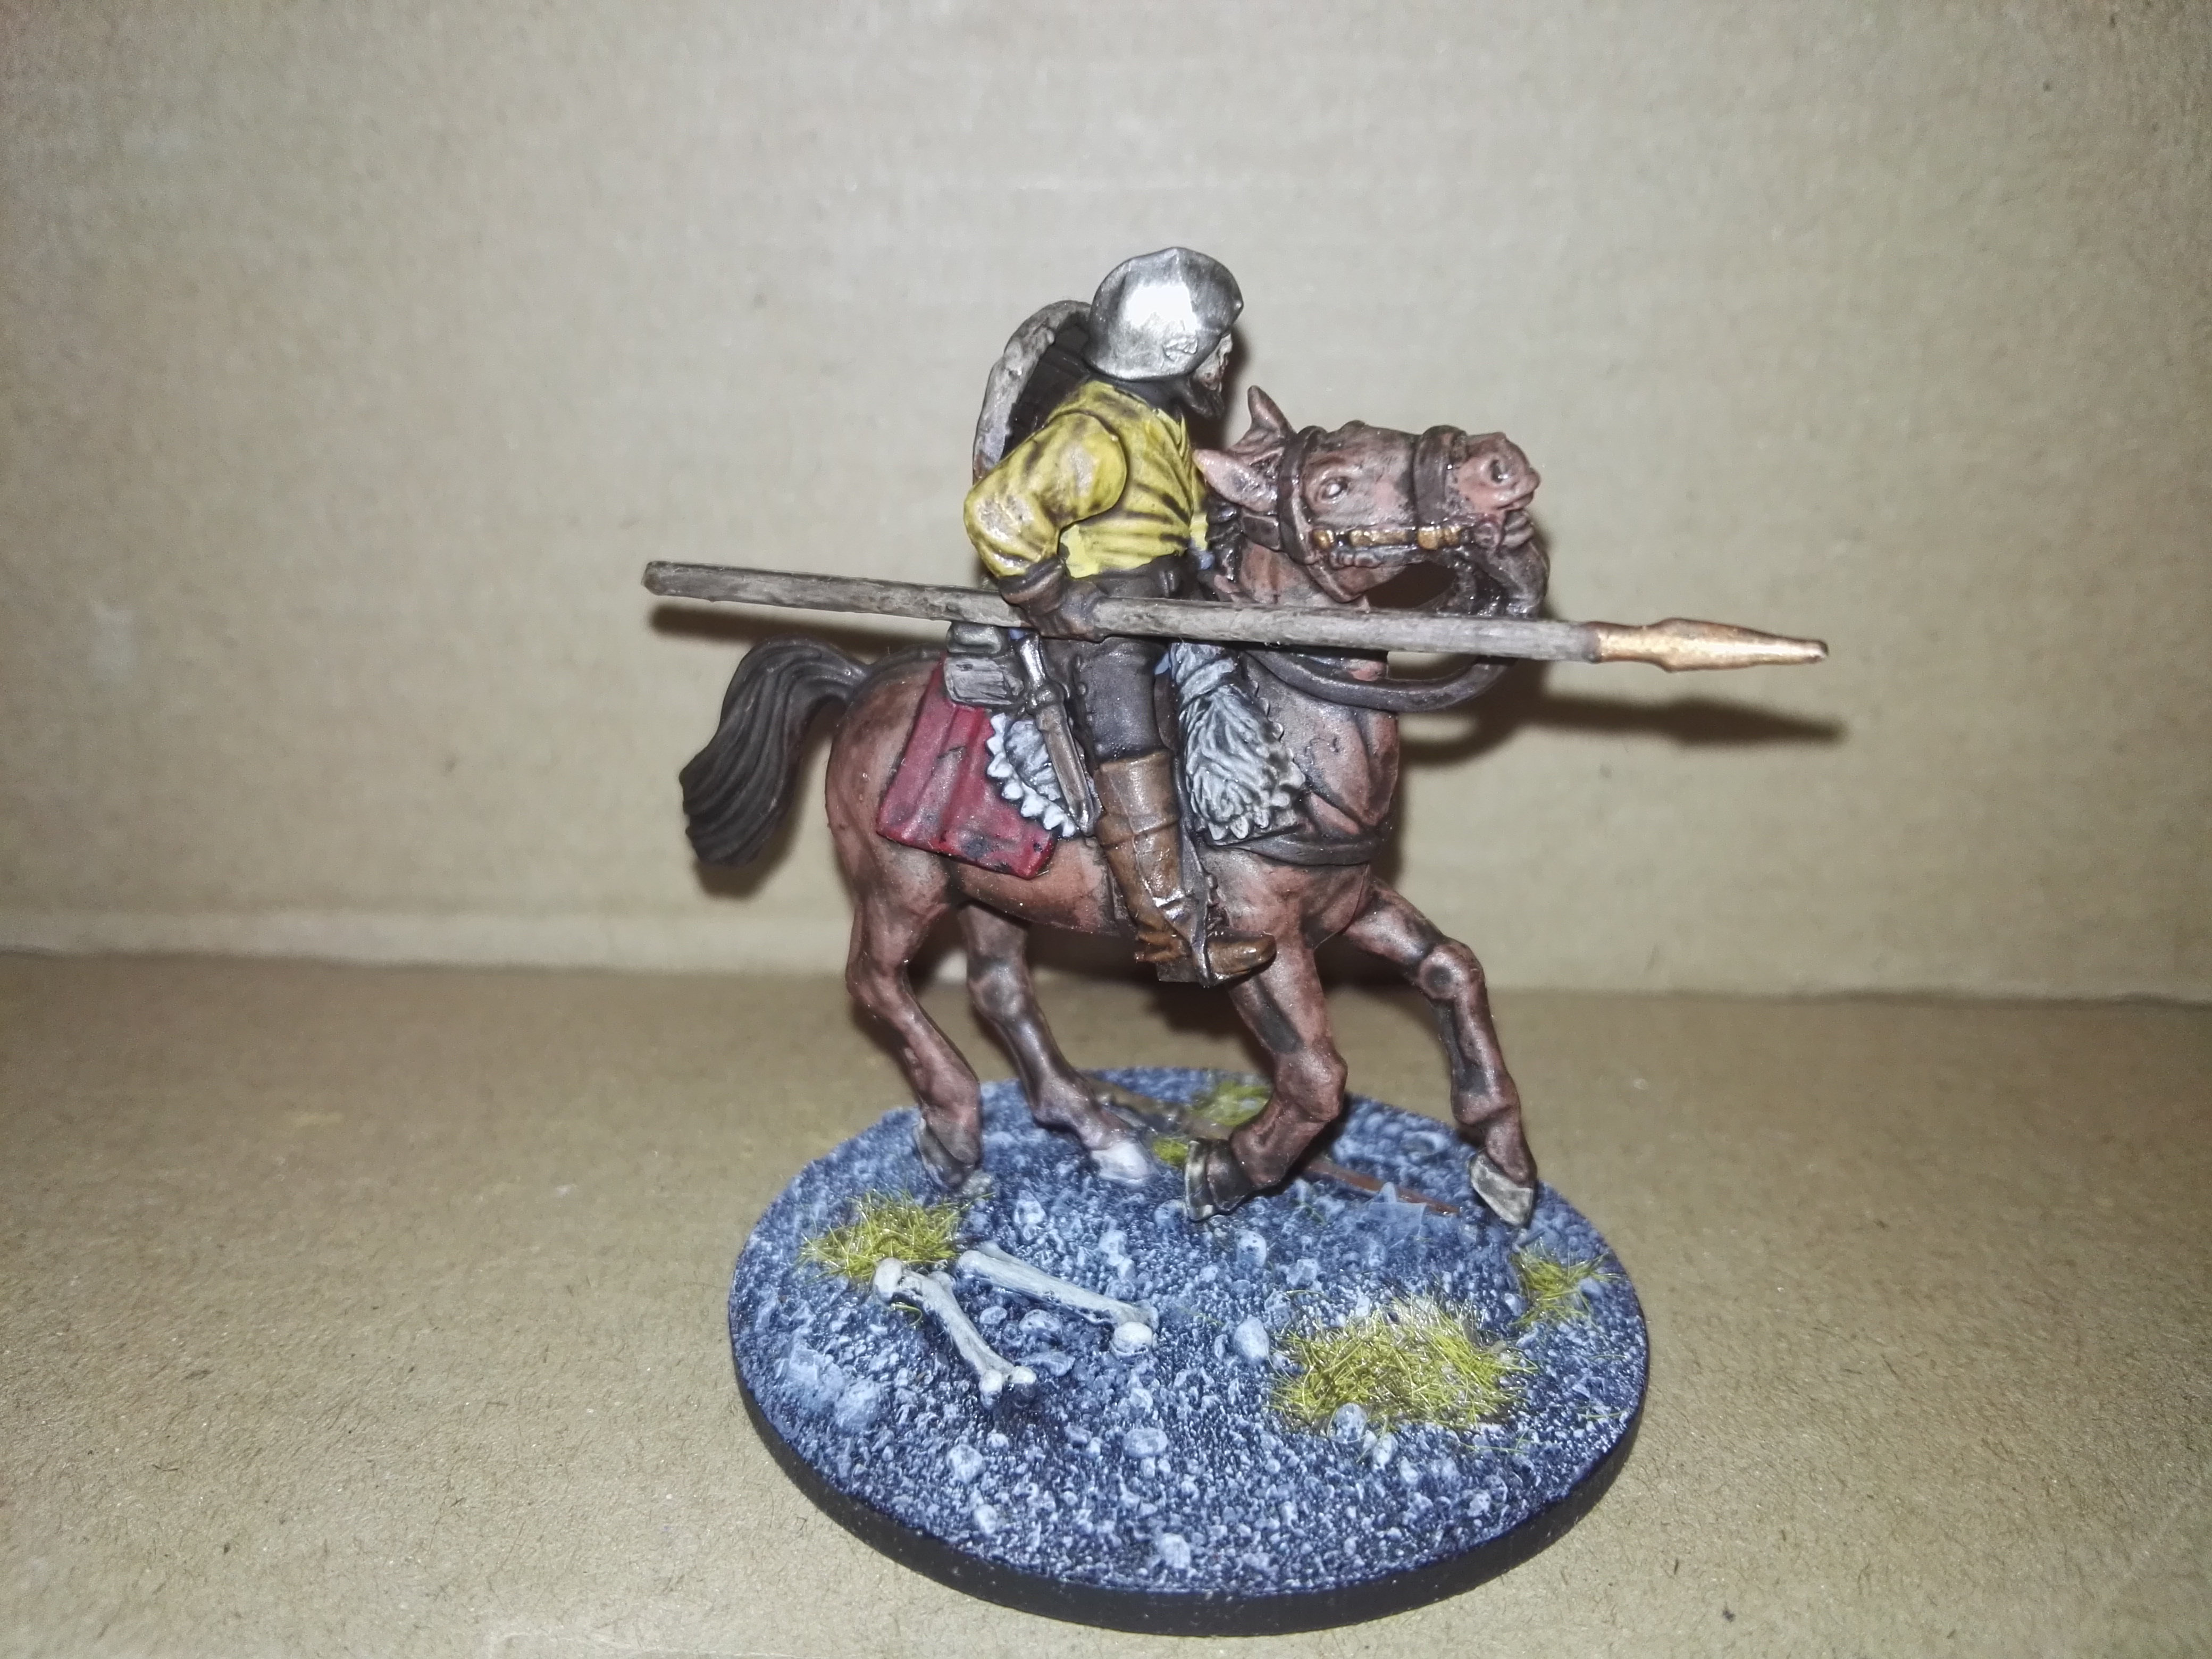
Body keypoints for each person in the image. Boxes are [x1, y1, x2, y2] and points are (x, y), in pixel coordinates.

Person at [963, 248, 1276, 985]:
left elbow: (1181, 512)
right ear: (1173, 351)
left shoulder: (1157, 421)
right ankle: (1175, 933)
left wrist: (1212, 565)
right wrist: (1051, 596)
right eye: (1215, 345)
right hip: (1104, 636)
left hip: (1167, 607)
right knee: (1132, 749)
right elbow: (998, 512)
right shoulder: (1094, 433)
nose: (1225, 360)